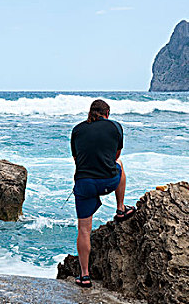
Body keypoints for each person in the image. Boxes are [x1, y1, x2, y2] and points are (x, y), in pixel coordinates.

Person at [70, 99, 136, 288]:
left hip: (84, 184)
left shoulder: (77, 129)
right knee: (120, 165)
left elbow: (77, 159)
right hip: (108, 181)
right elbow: (116, 155)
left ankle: (84, 275)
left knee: (83, 230)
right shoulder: (115, 127)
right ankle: (121, 208)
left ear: (90, 112)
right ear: (107, 113)